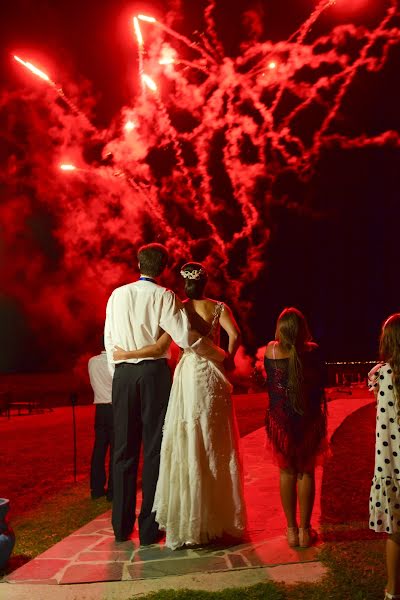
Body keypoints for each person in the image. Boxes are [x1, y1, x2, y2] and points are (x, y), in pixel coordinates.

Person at [113, 262, 246, 549]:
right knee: (216, 443)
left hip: (188, 374)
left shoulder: (179, 308)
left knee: (188, 438)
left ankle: (192, 517)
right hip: (212, 372)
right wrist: (229, 358)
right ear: (206, 282)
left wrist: (127, 353)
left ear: (185, 284)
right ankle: (219, 517)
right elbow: (234, 335)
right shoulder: (219, 308)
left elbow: (162, 345)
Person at [104, 243, 191, 545]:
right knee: (154, 447)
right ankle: (149, 528)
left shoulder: (117, 295)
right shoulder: (164, 296)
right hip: (153, 373)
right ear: (164, 267)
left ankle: (120, 526)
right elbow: (183, 336)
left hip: (124, 373)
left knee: (123, 449)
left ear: (138, 263)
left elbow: (109, 337)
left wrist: (120, 375)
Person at [264, 307, 327, 548]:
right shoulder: (312, 351)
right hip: (308, 421)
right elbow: (322, 382)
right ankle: (305, 530)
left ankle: (291, 531)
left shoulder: (271, 350)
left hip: (282, 423)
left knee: (287, 471)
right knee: (307, 472)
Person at [368, 313, 400, 600]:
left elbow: (374, 391)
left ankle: (392, 589)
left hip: (391, 464)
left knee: (395, 533)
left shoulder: (382, 374)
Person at [88, 344, 114, 501]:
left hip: (99, 409)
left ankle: (96, 489)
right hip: (114, 408)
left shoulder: (92, 362)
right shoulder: (114, 363)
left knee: (99, 449)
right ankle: (112, 490)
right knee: (116, 450)